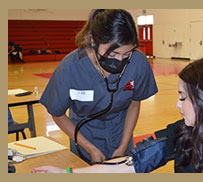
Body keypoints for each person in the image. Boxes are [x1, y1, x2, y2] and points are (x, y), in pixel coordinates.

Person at [33, 58, 203, 173]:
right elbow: (133, 163)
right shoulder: (184, 131)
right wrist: (69, 174)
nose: (177, 104)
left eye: (183, 97)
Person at [39, 9, 158, 164]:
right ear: (93, 40)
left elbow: (135, 103)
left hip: (121, 133)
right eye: (113, 54)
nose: (120, 60)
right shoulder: (70, 68)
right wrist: (90, 148)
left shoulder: (138, 62)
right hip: (84, 135)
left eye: (126, 54)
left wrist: (123, 146)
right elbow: (58, 114)